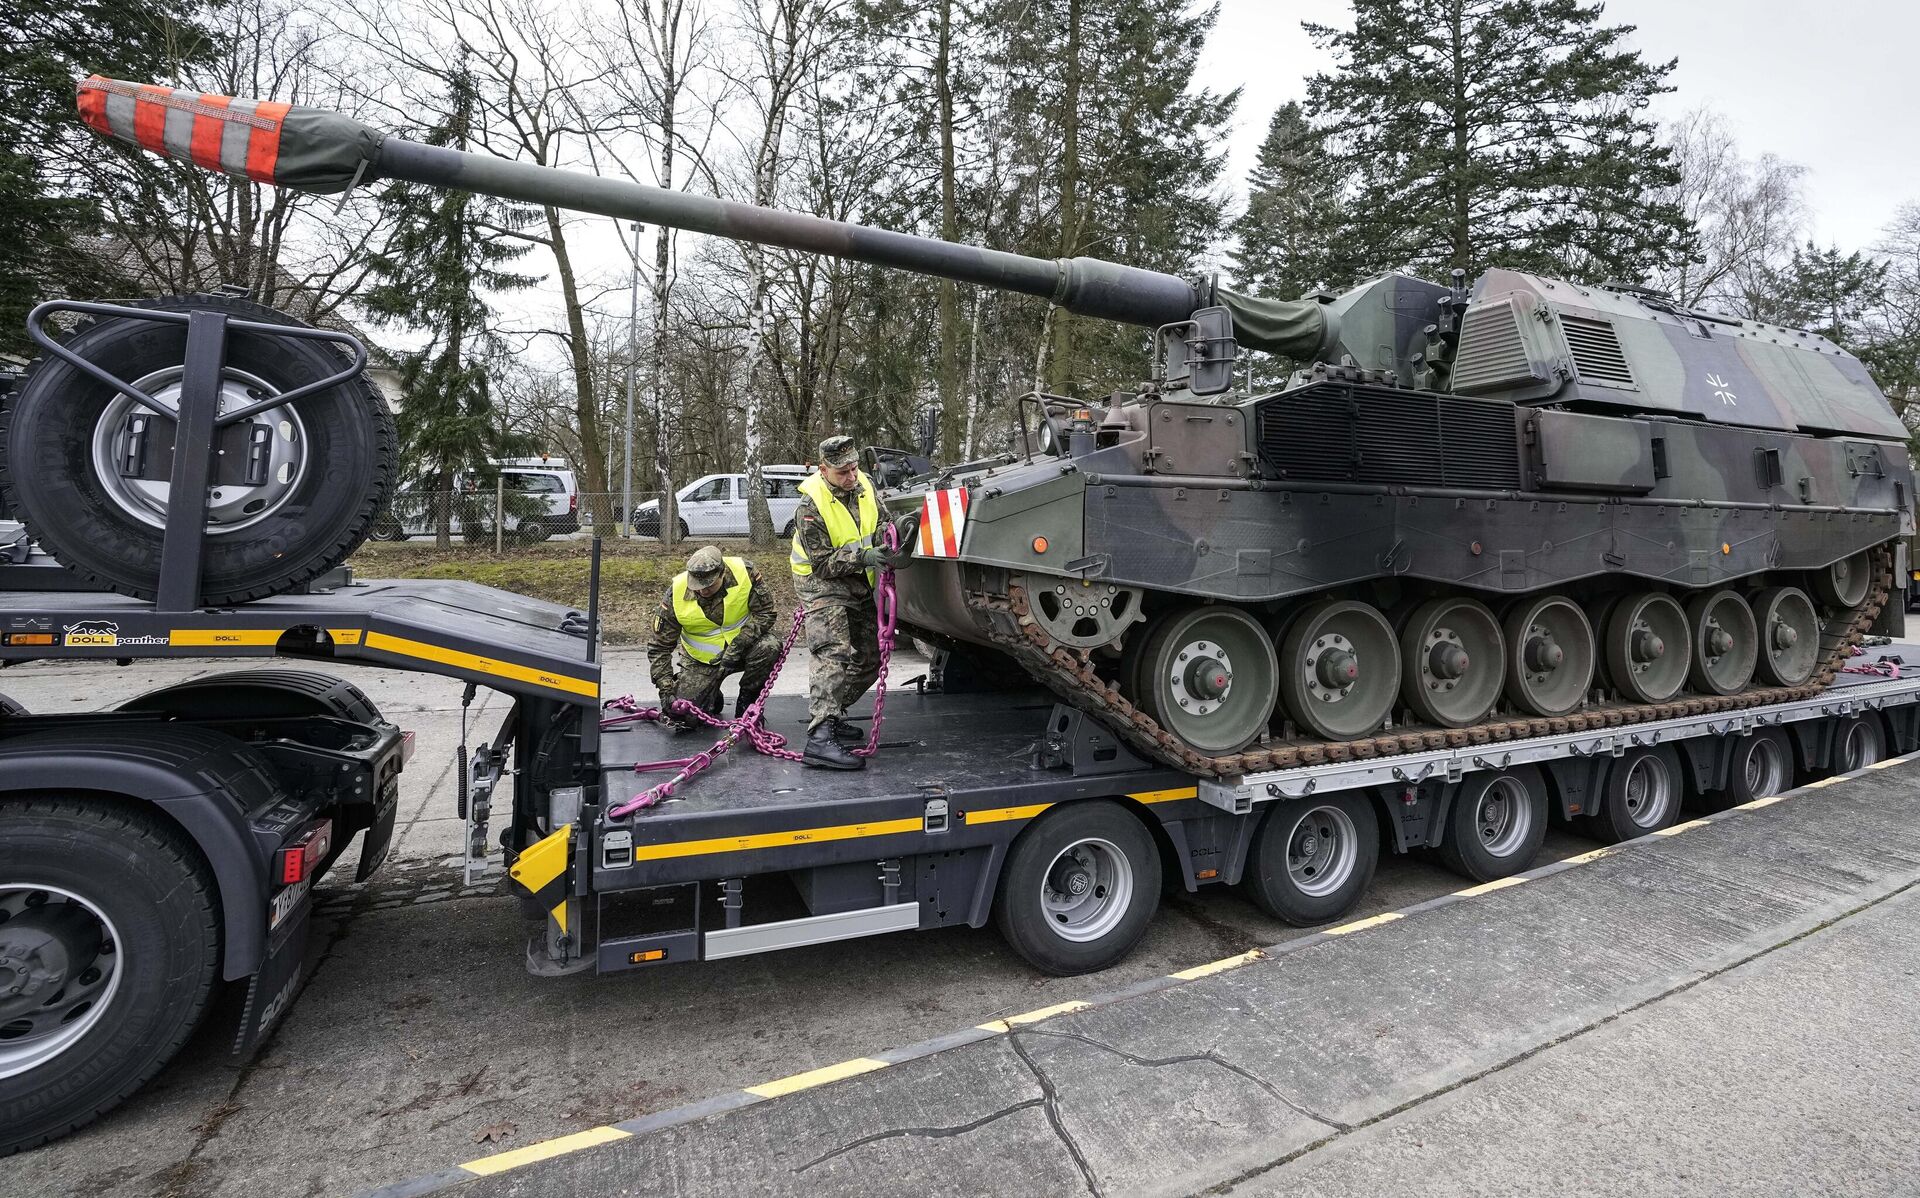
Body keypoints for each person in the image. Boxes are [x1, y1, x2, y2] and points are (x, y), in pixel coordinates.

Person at [789, 434, 910, 769]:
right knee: (834, 652)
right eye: (843, 471)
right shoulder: (810, 508)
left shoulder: (865, 486)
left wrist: (894, 537)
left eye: (854, 468)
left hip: (858, 580)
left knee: (870, 656)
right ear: (824, 470)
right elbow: (824, 564)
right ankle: (820, 738)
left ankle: (832, 713)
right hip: (821, 584)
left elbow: (883, 522)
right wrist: (866, 556)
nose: (851, 476)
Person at [649, 545, 779, 723]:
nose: (702, 591)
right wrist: (666, 690)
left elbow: (766, 613)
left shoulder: (744, 573)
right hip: (701, 661)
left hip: (742, 649)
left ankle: (747, 704)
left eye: (708, 586)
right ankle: (711, 695)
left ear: (722, 573)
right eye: (697, 586)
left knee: (769, 647)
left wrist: (737, 646)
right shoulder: (676, 592)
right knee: (684, 716)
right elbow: (659, 647)